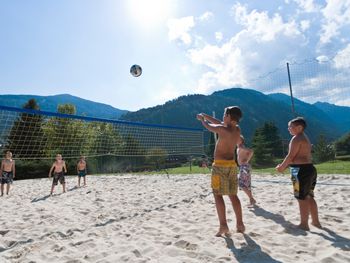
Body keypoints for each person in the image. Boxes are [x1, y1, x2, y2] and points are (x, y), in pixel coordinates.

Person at [197, 106, 245, 236]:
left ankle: (223, 225)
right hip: (232, 166)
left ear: (228, 116)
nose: (223, 116)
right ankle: (240, 224)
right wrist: (206, 115)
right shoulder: (237, 129)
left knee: (217, 195)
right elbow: (219, 122)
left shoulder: (221, 129)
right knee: (233, 195)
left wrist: (202, 120)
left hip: (219, 166)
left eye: (224, 114)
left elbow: (209, 126)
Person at [276, 117, 321, 230]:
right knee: (309, 195)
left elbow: (290, 156)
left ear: (299, 127)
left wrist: (282, 167)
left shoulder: (296, 138)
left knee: (301, 198)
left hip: (300, 171)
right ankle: (315, 222)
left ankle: (304, 224)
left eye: (291, 127)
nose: (288, 129)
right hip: (310, 169)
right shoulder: (305, 137)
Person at [237, 135, 256, 206]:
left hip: (244, 167)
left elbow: (251, 151)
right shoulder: (239, 147)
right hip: (243, 167)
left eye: (238, 139)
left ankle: (251, 199)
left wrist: (247, 160)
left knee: (241, 184)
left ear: (241, 140)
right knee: (246, 184)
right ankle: (251, 200)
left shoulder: (242, 146)